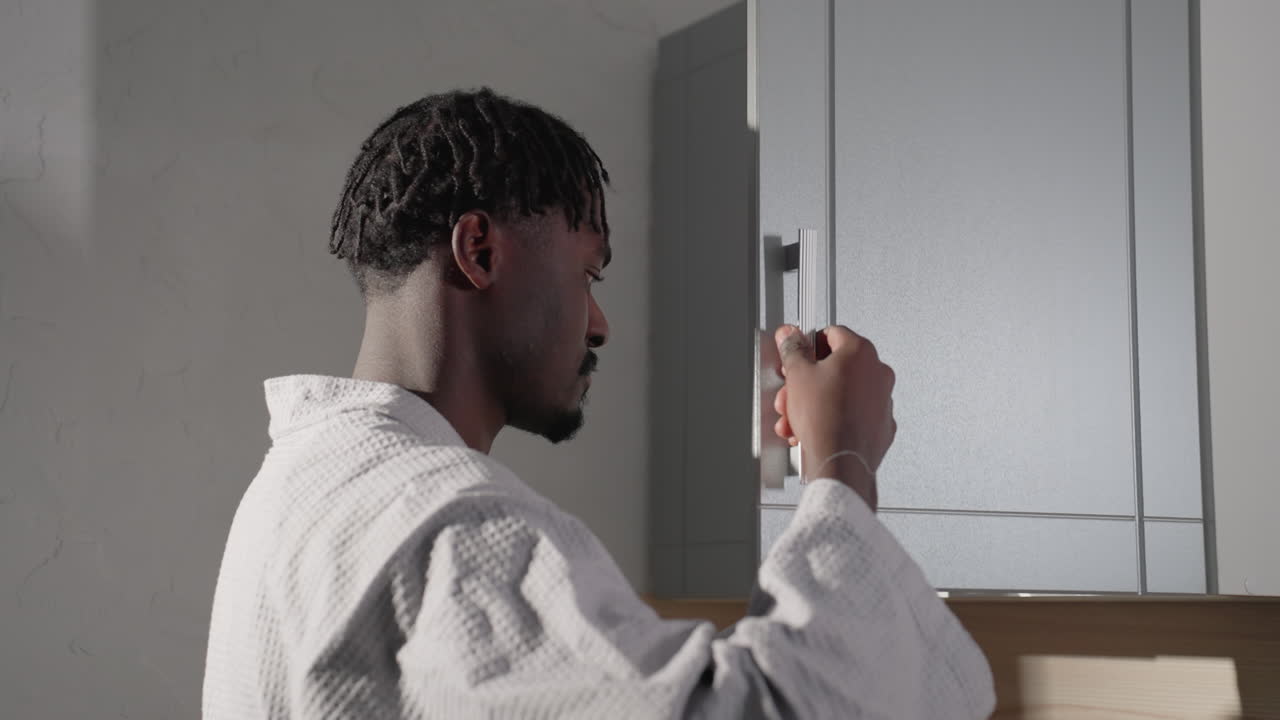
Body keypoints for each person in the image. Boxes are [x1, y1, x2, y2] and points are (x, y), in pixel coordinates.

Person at [202, 87, 994, 719]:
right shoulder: (452, 526)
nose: (602, 323)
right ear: (480, 252)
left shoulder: (297, 486)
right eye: (589, 273)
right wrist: (842, 461)